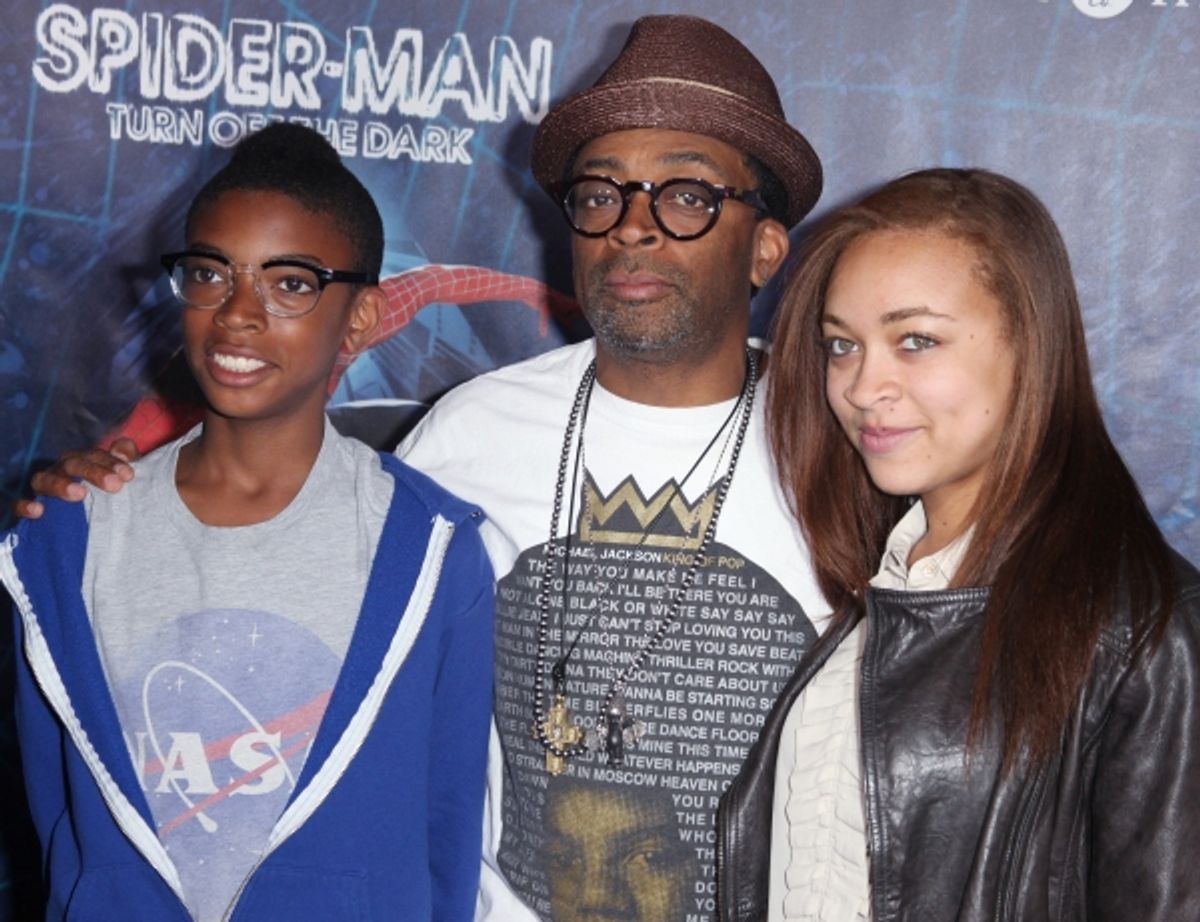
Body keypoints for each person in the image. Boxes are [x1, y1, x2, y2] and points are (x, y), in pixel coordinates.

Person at [21, 16, 830, 920]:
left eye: (686, 194)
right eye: (601, 194)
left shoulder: (843, 452)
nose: (632, 227)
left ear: (765, 245)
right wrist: (102, 496)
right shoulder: (470, 433)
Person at [1, 123, 494, 921]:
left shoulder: (432, 552)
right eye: (209, 273)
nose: (237, 314)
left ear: (363, 317)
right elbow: (63, 834)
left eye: (290, 282)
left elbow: (445, 838)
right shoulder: (69, 541)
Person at [717, 168, 1200, 921]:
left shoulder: (1143, 626)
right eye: (841, 346)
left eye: (916, 341)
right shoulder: (892, 585)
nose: (862, 385)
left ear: (1028, 344)